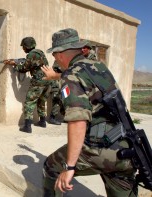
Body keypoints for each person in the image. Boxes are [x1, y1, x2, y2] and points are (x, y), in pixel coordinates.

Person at [41, 28, 137, 196]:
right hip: (126, 146)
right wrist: (56, 76)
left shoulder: (70, 76)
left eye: (54, 56)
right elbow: (81, 76)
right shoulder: (98, 66)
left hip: (100, 147)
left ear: (60, 54)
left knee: (51, 167)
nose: (55, 59)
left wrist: (69, 167)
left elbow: (78, 120)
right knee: (119, 182)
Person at [4, 37, 52, 133]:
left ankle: (27, 126)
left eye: (23, 47)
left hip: (38, 81)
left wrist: (14, 64)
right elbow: (34, 64)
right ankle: (42, 121)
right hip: (48, 80)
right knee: (41, 101)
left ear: (27, 46)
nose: (23, 49)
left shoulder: (31, 55)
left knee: (29, 102)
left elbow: (24, 68)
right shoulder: (40, 53)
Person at [47, 61, 63, 125]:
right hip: (56, 83)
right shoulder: (59, 59)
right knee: (57, 100)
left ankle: (65, 116)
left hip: (63, 82)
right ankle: (52, 117)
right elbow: (57, 68)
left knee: (65, 99)